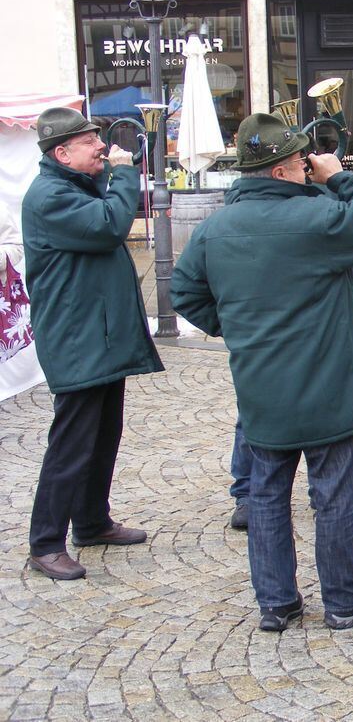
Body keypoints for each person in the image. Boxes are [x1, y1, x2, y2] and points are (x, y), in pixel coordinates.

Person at [171, 113, 353, 631]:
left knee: (267, 496)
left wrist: (239, 328)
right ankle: (345, 598)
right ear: (279, 172)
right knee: (336, 495)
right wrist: (338, 174)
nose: (308, 167)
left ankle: (276, 602)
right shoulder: (315, 219)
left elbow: (184, 294)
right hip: (327, 386)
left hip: (261, 385)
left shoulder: (213, 229)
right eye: (301, 161)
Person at [20, 107, 163, 581]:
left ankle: (91, 521)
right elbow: (109, 225)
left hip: (96, 336)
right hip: (77, 339)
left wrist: (110, 174)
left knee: (103, 436)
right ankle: (45, 543)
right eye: (89, 142)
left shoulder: (74, 186)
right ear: (62, 153)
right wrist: (123, 174)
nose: (102, 146)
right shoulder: (50, 196)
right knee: (71, 444)